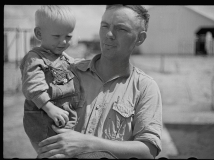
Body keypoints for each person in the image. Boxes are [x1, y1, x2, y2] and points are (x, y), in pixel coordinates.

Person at [37, 5, 162, 159]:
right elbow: (37, 117)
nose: (109, 34)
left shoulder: (145, 87)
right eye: (104, 26)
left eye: (121, 29)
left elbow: (148, 151)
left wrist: (89, 144)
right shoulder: (68, 72)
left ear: (140, 38)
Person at [20, 5, 83, 155]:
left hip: (62, 116)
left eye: (68, 36)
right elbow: (34, 87)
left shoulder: (64, 57)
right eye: (57, 36)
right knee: (51, 153)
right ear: (39, 34)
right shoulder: (34, 58)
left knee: (67, 151)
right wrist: (49, 108)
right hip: (43, 118)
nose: (63, 42)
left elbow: (77, 67)